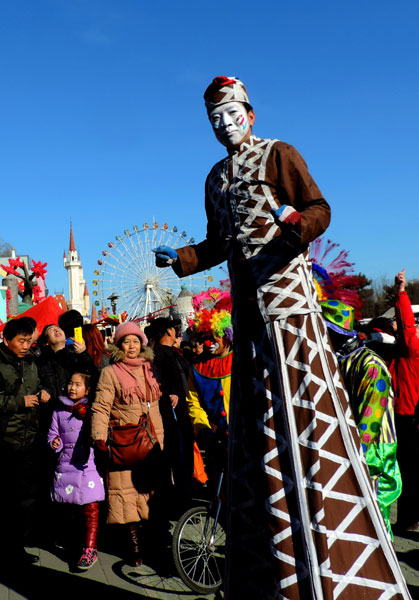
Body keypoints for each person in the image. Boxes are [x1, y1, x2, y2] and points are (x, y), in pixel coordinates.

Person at [153, 76, 410, 598]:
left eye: (230, 114)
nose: (223, 126)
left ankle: (331, 542)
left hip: (290, 309)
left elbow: (320, 209)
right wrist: (182, 260)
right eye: (213, 120)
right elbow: (219, 243)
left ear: (249, 113)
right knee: (257, 425)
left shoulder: (279, 154)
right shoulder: (214, 178)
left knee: (304, 414)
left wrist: (295, 226)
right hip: (249, 321)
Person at [322, 300, 401, 537]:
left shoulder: (371, 365)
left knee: (374, 520)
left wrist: (352, 457)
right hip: (352, 449)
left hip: (374, 452)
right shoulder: (339, 362)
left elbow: (369, 425)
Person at [91, 321, 164, 567]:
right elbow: (101, 406)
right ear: (119, 345)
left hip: (151, 439)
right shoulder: (110, 372)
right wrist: (99, 435)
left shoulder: (150, 368)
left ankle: (149, 540)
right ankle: (132, 545)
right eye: (126, 341)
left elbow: (156, 406)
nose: (131, 346)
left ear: (141, 344)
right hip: (124, 439)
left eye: (135, 341)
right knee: (125, 492)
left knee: (148, 492)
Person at [0, 318, 50, 567]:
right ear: (6, 340)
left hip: (31, 436)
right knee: (9, 497)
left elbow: (37, 385)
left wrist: (43, 392)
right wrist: (21, 402)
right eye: (21, 341)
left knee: (26, 496)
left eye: (28, 341)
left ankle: (19, 545)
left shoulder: (30, 360)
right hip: (7, 439)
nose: (25, 345)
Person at [48, 372, 105, 569]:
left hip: (88, 466)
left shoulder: (93, 410)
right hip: (65, 465)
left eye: (78, 384)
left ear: (87, 390)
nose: (72, 387)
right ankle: (75, 543)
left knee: (91, 509)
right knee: (70, 509)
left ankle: (90, 548)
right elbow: (53, 433)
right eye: (70, 383)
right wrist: (54, 442)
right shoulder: (58, 411)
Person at [144, 317, 194, 516]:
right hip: (174, 417)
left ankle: (182, 503)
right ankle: (182, 505)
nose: (177, 332)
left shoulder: (171, 354)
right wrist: (169, 394)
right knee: (180, 460)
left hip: (180, 415)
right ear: (168, 332)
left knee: (180, 460)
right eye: (174, 329)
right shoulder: (163, 356)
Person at [186, 305, 233, 489]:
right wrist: (203, 429)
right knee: (220, 490)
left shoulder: (241, 359)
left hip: (242, 437)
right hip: (214, 440)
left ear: (226, 335)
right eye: (204, 338)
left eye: (213, 338)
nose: (207, 343)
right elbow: (193, 402)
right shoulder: (197, 368)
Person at [389, 269, 419, 532]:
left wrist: (401, 292)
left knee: (408, 472)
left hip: (407, 417)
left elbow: (407, 324)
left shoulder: (412, 351)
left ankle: (408, 520)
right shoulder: (403, 352)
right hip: (409, 415)